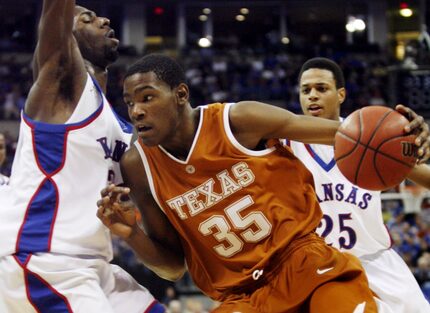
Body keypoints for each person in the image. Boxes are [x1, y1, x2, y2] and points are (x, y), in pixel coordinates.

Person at [97, 54, 430, 312]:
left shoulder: (240, 123)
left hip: (308, 262)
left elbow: (355, 136)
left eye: (147, 98)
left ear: (180, 94)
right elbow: (173, 268)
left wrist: (406, 135)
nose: (136, 111)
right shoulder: (139, 166)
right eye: (129, 103)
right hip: (240, 295)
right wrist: (132, 235)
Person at [0, 2, 174, 312]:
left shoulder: (122, 129)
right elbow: (55, 11)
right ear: (65, 33)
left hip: (97, 266)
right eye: (87, 19)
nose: (105, 19)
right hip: (46, 260)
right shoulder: (59, 87)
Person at [286, 57, 430, 312]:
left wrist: (413, 147)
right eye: (305, 90)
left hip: (375, 261)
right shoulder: (285, 143)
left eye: (321, 88)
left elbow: (423, 175)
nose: (312, 96)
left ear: (341, 94)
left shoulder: (372, 137)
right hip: (316, 270)